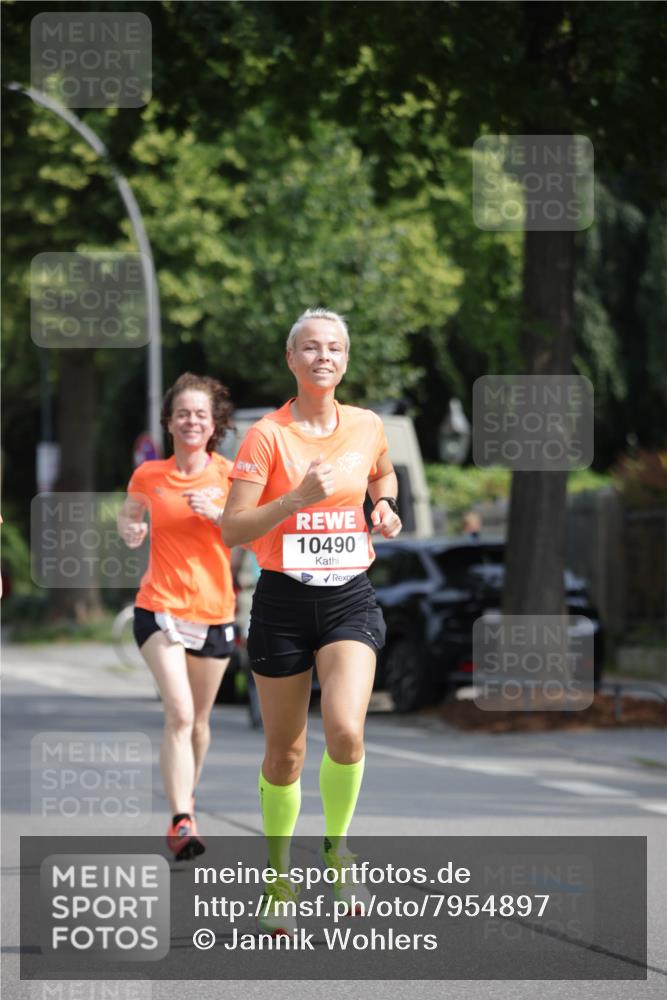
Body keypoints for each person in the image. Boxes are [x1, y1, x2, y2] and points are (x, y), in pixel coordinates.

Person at [221, 308, 402, 933]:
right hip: (283, 602)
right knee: (286, 753)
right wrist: (296, 498)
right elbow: (232, 528)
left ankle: (337, 849)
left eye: (334, 348)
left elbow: (381, 469)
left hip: (350, 596)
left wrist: (384, 506)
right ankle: (277, 877)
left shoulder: (367, 425)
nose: (323, 356)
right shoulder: (268, 436)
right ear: (291, 360)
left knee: (347, 729)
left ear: (345, 360)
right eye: (310, 348)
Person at [118, 373, 235, 861]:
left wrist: (217, 514)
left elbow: (250, 538)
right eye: (183, 413)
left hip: (214, 610)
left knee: (201, 723)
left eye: (200, 415)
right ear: (169, 422)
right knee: (180, 713)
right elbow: (130, 513)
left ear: (214, 426)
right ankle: (180, 818)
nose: (191, 421)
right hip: (159, 606)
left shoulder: (231, 476)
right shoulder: (149, 476)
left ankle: (187, 801)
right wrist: (131, 529)